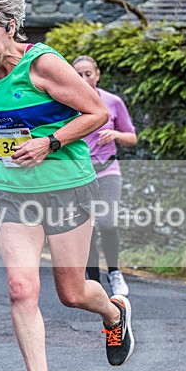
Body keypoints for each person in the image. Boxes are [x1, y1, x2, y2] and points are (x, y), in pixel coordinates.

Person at [0, 0, 135, 371]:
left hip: (66, 186)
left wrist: (50, 142)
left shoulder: (44, 65)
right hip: (14, 191)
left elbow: (96, 112)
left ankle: (113, 311)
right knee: (21, 288)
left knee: (72, 293)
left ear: (11, 25)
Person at [72, 56, 137, 297]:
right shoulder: (66, 104)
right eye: (78, 74)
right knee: (86, 228)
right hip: (80, 175)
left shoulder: (113, 102)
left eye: (88, 74)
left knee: (107, 223)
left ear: (97, 74)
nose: (83, 79)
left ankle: (114, 272)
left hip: (108, 170)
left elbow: (132, 137)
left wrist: (115, 134)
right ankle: (94, 281)